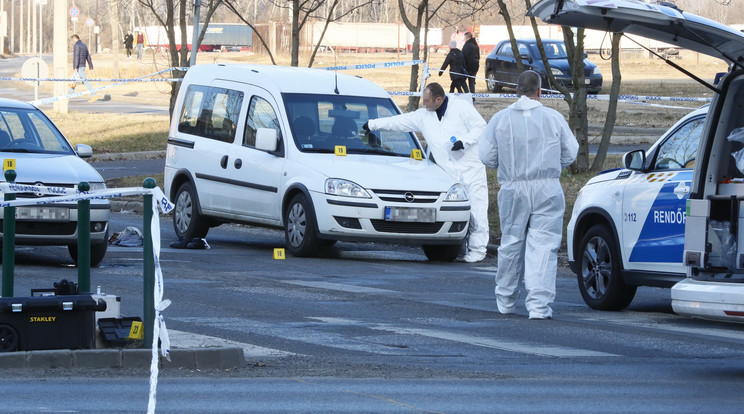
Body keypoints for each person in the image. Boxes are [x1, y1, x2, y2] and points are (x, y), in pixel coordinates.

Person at [478, 70, 578, 320]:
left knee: (511, 243)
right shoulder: (553, 117)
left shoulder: (501, 119)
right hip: (547, 187)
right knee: (544, 245)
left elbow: (487, 156)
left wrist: (508, 166)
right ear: (540, 92)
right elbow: (570, 152)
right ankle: (539, 306)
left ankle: (505, 300)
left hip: (513, 187)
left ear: (516, 91)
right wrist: (552, 166)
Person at [365, 82, 489, 262]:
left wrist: (465, 141)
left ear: (439, 99)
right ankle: (458, 245)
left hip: (470, 168)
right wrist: (372, 124)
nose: (424, 104)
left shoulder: (461, 107)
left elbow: (481, 126)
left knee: (477, 208)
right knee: (453, 209)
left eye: (427, 101)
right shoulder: (424, 116)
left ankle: (478, 250)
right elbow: (399, 122)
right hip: (446, 172)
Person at [69, 34, 98, 103]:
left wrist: (75, 67)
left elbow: (76, 56)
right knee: (75, 81)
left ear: (74, 38)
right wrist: (90, 66)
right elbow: (88, 56)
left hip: (79, 66)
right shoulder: (84, 45)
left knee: (85, 81)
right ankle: (68, 96)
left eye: (72, 40)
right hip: (83, 65)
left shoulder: (77, 45)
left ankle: (94, 95)